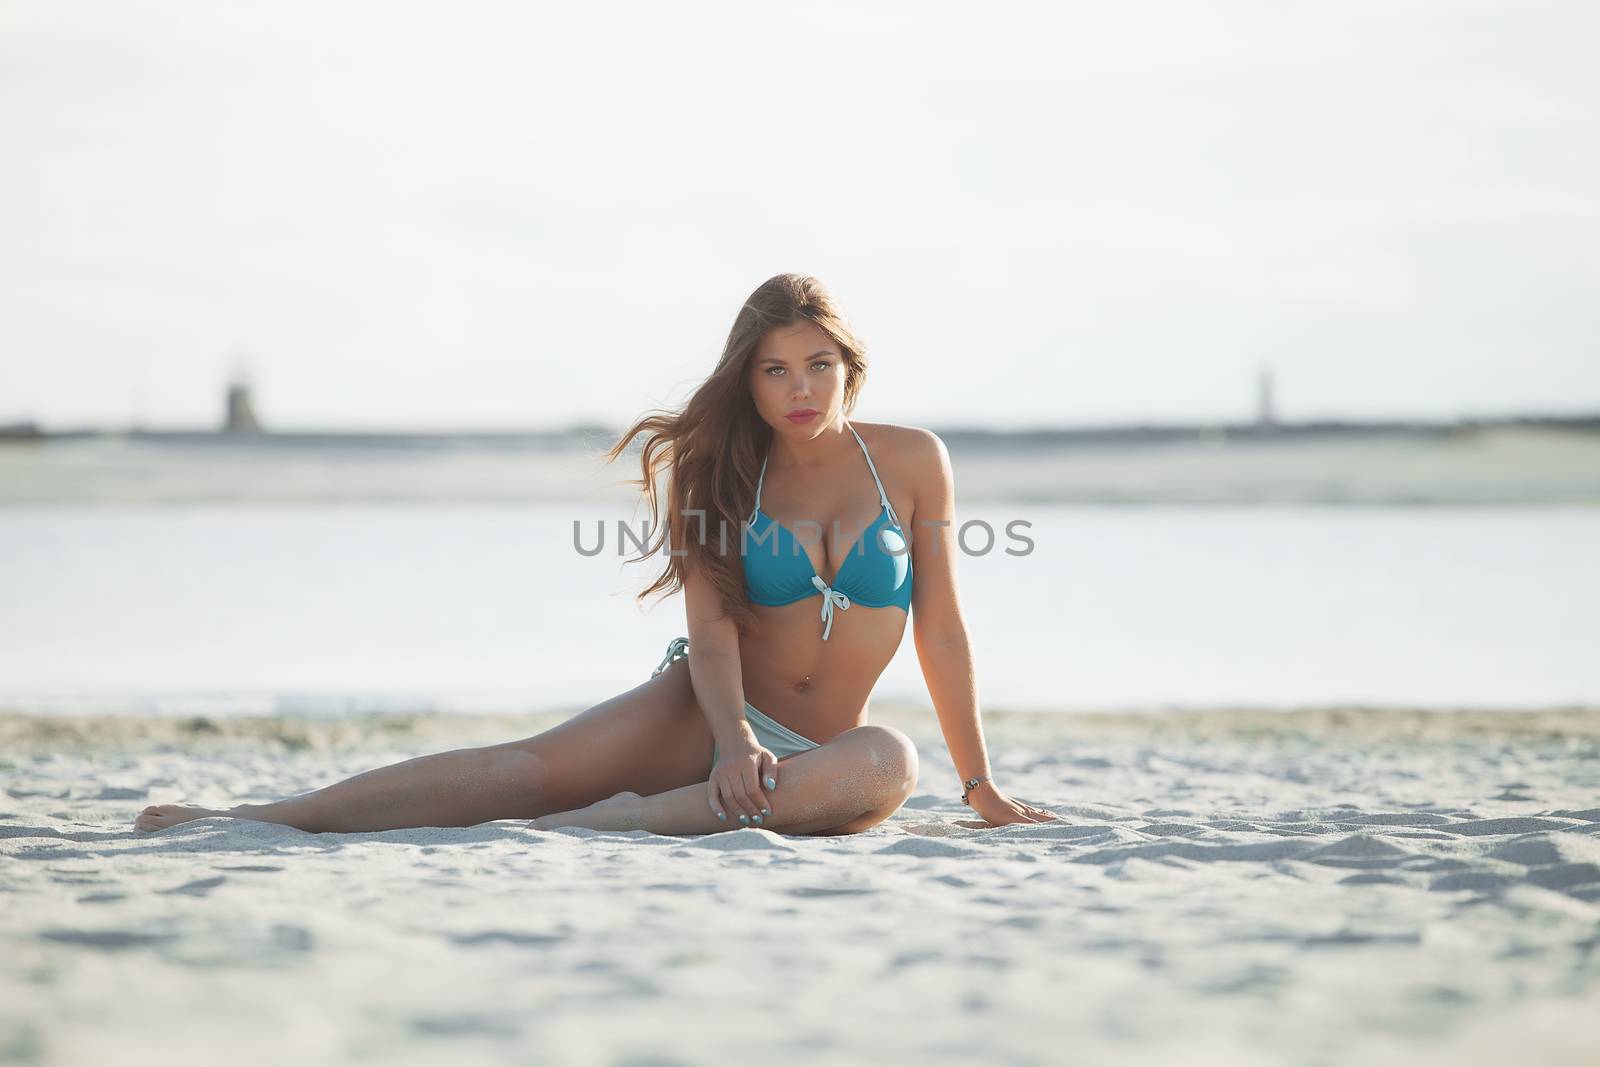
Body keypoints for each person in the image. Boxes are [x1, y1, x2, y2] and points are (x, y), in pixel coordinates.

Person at [134, 273, 1059, 836]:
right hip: (707, 716)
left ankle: (620, 822)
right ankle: (260, 816)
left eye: (817, 364)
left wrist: (976, 783)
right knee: (520, 774)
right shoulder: (721, 463)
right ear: (749, 377)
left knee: (887, 763)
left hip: (819, 753)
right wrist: (732, 740)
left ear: (848, 363)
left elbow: (941, 628)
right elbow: (711, 624)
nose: (799, 388)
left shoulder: (912, 460)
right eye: (775, 369)